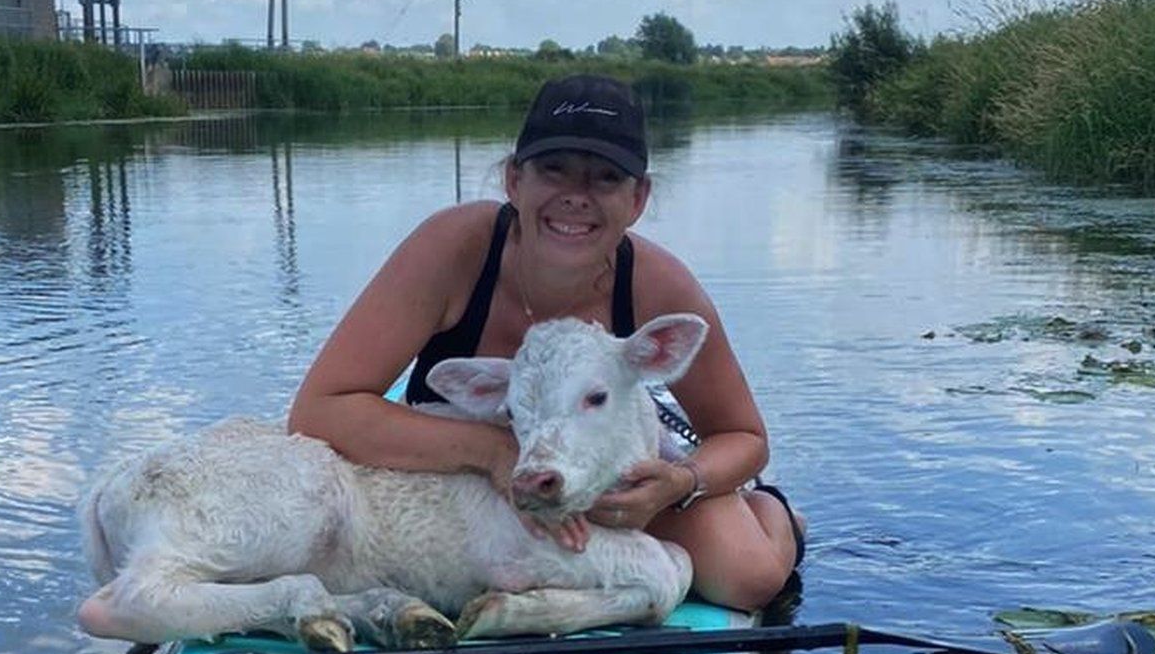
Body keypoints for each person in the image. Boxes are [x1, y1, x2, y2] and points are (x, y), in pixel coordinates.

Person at [286, 73, 804, 613]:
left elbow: (743, 435)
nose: (576, 198)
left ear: (638, 198)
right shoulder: (453, 250)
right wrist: (495, 454)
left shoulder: (658, 285)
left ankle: (769, 512)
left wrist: (679, 482)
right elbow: (320, 408)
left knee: (749, 577)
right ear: (514, 180)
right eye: (553, 170)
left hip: (605, 469)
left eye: (605, 178)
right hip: (461, 467)